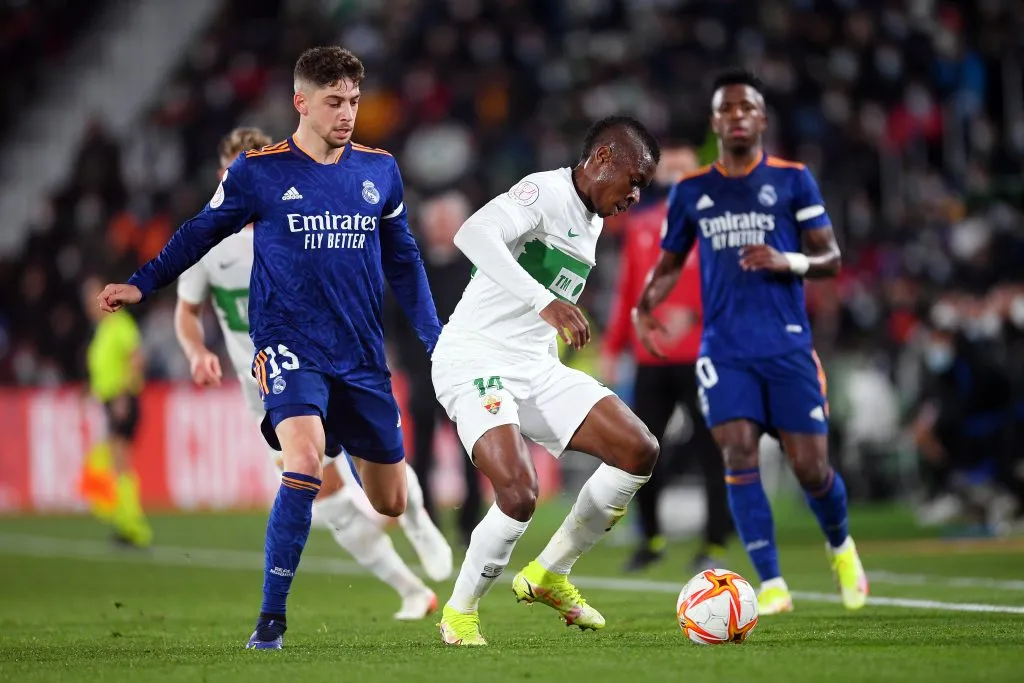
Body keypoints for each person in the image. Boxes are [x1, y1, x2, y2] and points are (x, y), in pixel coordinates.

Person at [97, 47, 442, 649]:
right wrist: (142, 282)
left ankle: (380, 480)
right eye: (334, 102)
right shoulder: (260, 173)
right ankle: (271, 621)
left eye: (354, 101)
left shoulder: (380, 170)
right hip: (288, 348)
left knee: (387, 501)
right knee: (302, 462)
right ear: (301, 103)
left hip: (360, 356)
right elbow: (199, 233)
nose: (347, 114)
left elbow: (405, 260)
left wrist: (436, 337)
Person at [174, 126, 452, 621]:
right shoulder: (208, 243)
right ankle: (410, 587)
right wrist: (196, 351)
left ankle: (415, 519)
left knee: (368, 467)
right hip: (264, 387)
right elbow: (187, 311)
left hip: (326, 366)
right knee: (325, 498)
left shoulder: (301, 223)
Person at [634, 68, 869, 615]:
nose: (737, 116)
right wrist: (644, 304)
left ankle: (841, 546)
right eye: (727, 109)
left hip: (786, 346)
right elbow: (669, 264)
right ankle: (772, 582)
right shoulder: (692, 190)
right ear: (714, 122)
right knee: (738, 452)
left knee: (811, 469)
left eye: (747, 108)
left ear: (762, 119)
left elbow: (831, 258)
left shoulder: (793, 180)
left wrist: (788, 260)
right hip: (724, 350)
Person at [432, 115, 661, 646]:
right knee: (519, 493)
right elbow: (473, 233)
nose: (635, 195)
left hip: (536, 367)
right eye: (634, 181)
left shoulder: (593, 219)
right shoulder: (544, 191)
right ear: (602, 158)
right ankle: (459, 614)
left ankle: (550, 573)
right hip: (476, 359)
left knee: (638, 448)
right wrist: (544, 301)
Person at [602, 145, 734, 573]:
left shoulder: (717, 227)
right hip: (651, 358)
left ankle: (715, 540)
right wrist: (612, 347)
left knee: (712, 450)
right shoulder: (641, 225)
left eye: (683, 169)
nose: (676, 177)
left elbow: (731, 289)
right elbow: (628, 291)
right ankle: (651, 538)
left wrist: (693, 314)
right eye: (669, 170)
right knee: (641, 450)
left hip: (703, 356)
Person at [386, 190, 482, 547]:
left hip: (466, 373)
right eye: (436, 222)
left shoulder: (477, 266)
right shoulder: (412, 265)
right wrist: (403, 360)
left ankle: (470, 524)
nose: (440, 228)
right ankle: (428, 524)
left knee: (473, 450)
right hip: (422, 374)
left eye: (446, 221)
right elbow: (393, 315)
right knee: (422, 453)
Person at [80, 275, 152, 548]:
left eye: (92, 299)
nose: (89, 305)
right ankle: (125, 523)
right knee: (116, 461)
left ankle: (134, 527)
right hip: (111, 400)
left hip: (122, 400)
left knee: (119, 460)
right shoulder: (103, 329)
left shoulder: (120, 324)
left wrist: (123, 395)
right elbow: (104, 367)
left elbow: (136, 359)